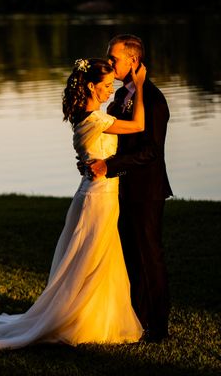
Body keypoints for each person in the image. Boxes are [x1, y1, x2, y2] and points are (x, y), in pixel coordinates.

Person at [0, 58, 147, 349]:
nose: (110, 91)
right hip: (98, 197)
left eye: (113, 85)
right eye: (105, 85)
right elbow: (139, 125)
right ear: (90, 85)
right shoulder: (97, 119)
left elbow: (90, 154)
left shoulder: (81, 115)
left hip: (93, 191)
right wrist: (137, 86)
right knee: (90, 260)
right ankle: (76, 320)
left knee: (95, 259)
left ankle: (95, 318)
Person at [87, 35, 172, 342]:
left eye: (113, 59)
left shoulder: (153, 100)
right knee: (130, 257)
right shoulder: (121, 95)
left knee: (150, 256)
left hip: (147, 190)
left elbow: (152, 151)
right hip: (121, 189)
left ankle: (158, 328)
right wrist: (96, 159)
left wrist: (110, 166)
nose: (109, 64)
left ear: (133, 61)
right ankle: (136, 319)